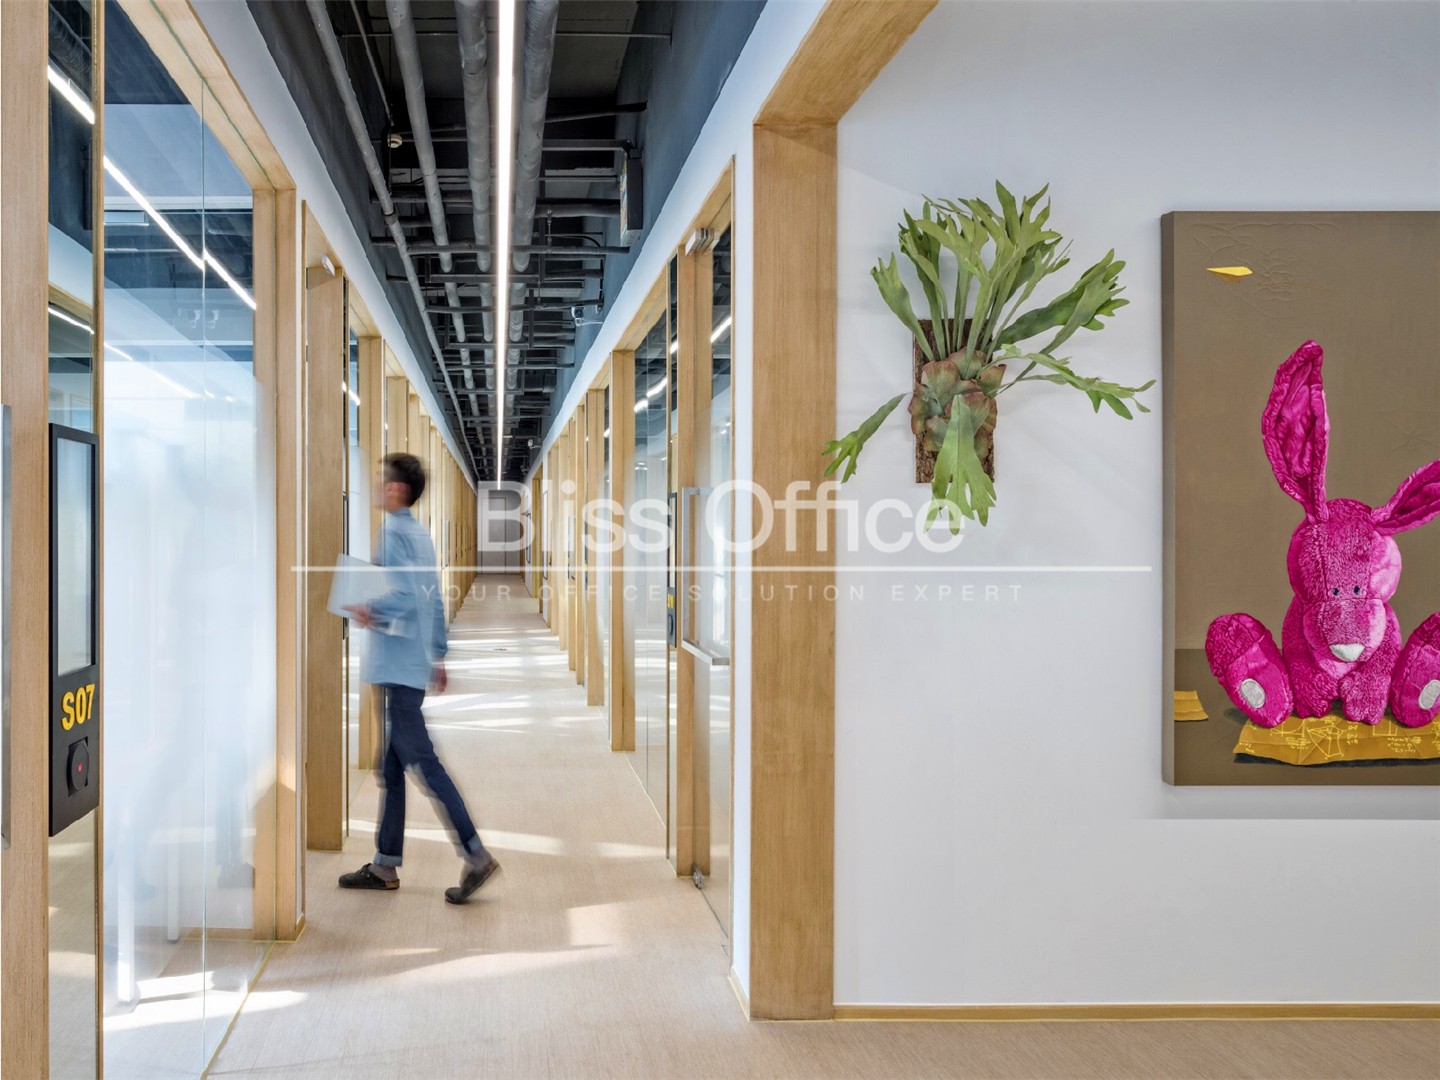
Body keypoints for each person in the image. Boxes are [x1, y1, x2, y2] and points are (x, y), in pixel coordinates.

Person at [339, 452, 499, 904]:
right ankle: (384, 864)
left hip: (395, 667)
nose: (376, 485)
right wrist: (438, 653)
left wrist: (369, 608)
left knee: (424, 764)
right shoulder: (420, 535)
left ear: (396, 489)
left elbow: (406, 596)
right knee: (389, 768)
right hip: (410, 664)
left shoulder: (392, 533)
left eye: (381, 479)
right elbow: (432, 595)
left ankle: (476, 854)